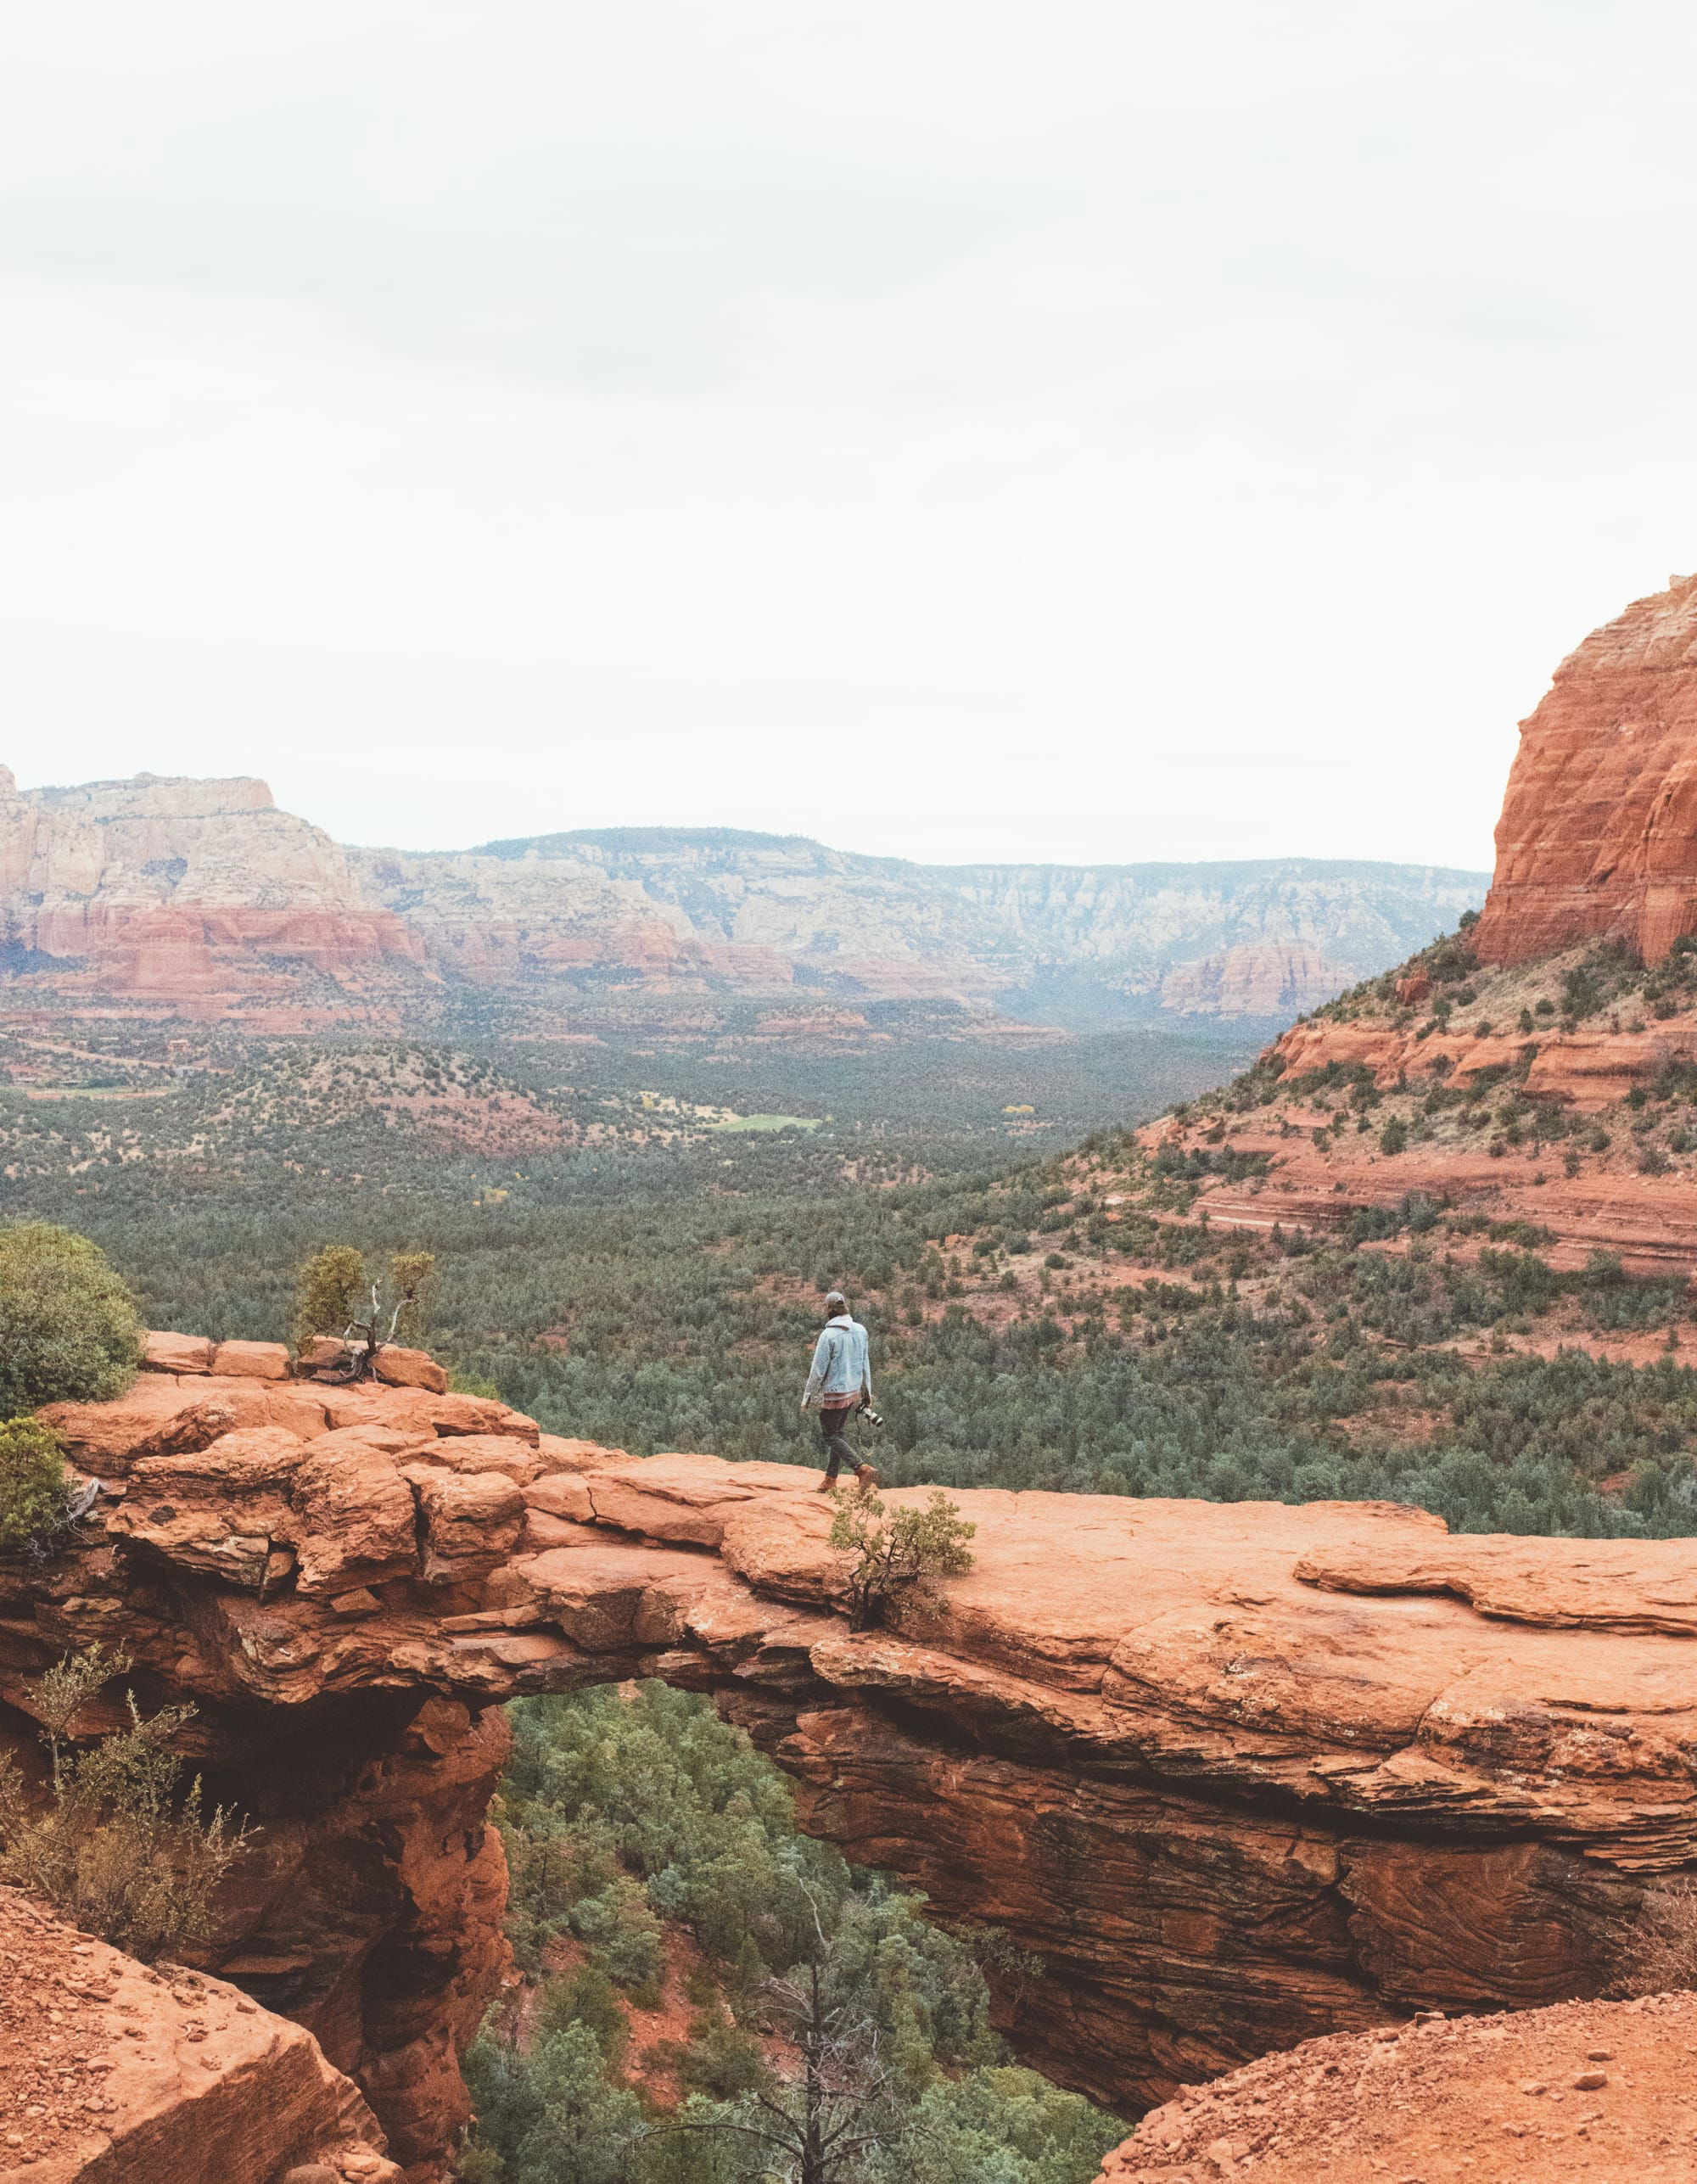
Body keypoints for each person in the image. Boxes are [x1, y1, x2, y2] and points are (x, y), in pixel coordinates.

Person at [801, 1290, 878, 1491]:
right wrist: (867, 1393)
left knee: (829, 1434)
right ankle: (830, 1480)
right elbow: (865, 1363)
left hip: (835, 1393)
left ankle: (861, 1469)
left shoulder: (828, 1335)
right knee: (838, 1433)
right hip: (853, 1392)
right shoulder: (860, 1330)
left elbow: (817, 1370)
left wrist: (808, 1397)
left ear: (829, 1310)